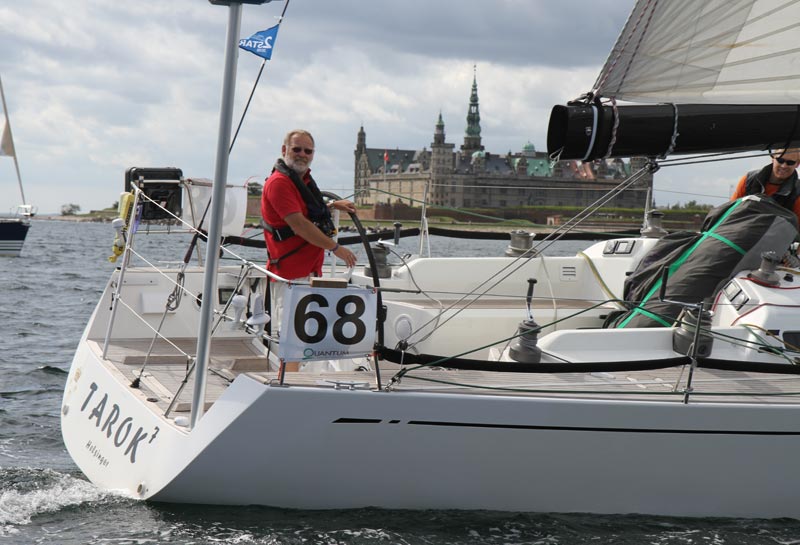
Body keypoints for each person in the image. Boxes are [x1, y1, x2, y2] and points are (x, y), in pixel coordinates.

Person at [261, 129, 358, 370]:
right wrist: (335, 247)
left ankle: (297, 384)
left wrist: (333, 205)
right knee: (293, 336)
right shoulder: (279, 183)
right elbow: (300, 224)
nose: (302, 154)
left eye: (308, 150)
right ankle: (290, 388)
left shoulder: (300, 180)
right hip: (291, 273)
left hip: (307, 270)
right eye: (296, 149)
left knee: (302, 333)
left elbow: (306, 208)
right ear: (284, 151)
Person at [730, 148, 800, 224]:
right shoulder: (749, 180)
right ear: (773, 158)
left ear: (797, 164)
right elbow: (731, 211)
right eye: (780, 160)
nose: (783, 166)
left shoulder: (798, 192)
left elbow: (796, 228)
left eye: (790, 162)